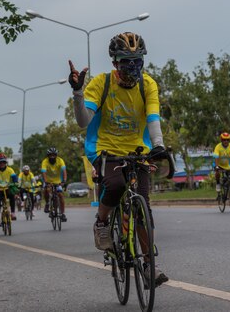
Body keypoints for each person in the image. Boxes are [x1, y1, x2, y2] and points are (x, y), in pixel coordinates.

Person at [69, 31, 170, 287]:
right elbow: (83, 122)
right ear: (115, 62)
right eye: (127, 61)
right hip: (105, 149)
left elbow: (153, 118)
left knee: (143, 205)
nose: (133, 67)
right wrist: (78, 92)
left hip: (138, 151)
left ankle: (148, 266)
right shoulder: (101, 84)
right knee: (114, 186)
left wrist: (158, 146)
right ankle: (102, 222)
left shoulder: (148, 85)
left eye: (138, 61)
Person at [0, 153, 18, 229]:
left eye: (4, 162)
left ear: (6, 162)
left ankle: (12, 213)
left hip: (7, 188)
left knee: (12, 195)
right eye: (0, 162)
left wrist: (15, 183)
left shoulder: (10, 169)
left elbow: (14, 177)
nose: (2, 164)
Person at [40, 148, 67, 222]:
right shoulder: (44, 162)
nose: (52, 157)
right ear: (48, 156)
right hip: (48, 180)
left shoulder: (60, 160)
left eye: (54, 155)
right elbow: (44, 173)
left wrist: (64, 180)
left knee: (60, 195)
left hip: (58, 181)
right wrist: (46, 182)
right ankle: (48, 203)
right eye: (50, 155)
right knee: (46, 190)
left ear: (56, 155)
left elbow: (64, 171)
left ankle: (62, 213)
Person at [212, 132, 230, 198]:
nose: (226, 141)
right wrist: (217, 167)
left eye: (227, 140)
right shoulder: (218, 147)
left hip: (228, 165)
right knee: (217, 173)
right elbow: (216, 157)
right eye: (224, 140)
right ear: (221, 140)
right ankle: (218, 183)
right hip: (219, 164)